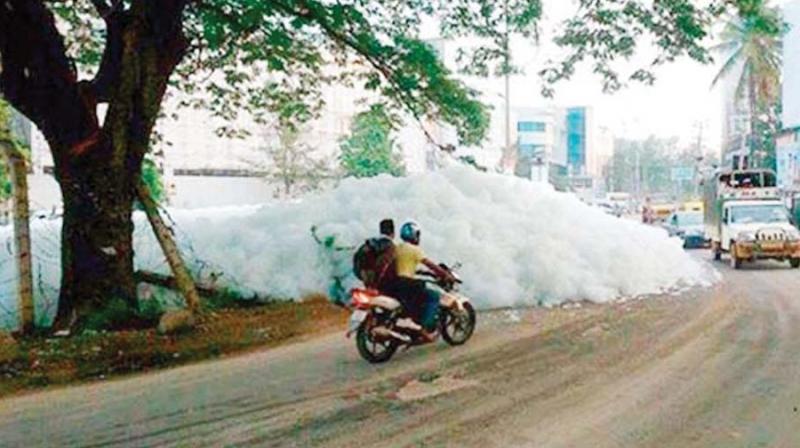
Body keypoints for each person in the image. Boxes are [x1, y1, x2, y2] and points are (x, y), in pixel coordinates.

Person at [391, 221, 454, 342]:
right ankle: (424, 328)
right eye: (417, 234)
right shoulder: (414, 250)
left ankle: (414, 323)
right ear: (414, 235)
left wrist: (422, 272)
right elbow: (431, 265)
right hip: (407, 283)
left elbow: (406, 265)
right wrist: (445, 274)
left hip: (396, 283)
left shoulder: (397, 248)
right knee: (434, 297)